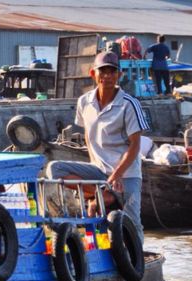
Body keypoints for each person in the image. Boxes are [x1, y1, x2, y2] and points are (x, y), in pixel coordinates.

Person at [45, 51, 149, 242]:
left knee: (131, 222)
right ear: (93, 74)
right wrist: (96, 167)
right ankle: (104, 194)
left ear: (119, 75)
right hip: (99, 171)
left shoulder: (129, 104)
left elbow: (135, 145)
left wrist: (116, 176)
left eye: (112, 71)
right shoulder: (85, 102)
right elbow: (87, 133)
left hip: (127, 174)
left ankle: (137, 264)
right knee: (54, 169)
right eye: (103, 71)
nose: (107, 75)